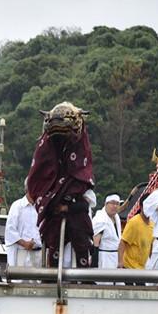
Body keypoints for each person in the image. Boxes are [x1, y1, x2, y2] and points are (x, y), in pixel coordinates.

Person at [27, 101, 96, 268]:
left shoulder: (81, 161)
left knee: (81, 239)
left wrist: (68, 208)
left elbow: (84, 205)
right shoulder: (47, 148)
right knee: (53, 242)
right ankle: (51, 273)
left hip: (75, 207)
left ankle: (85, 274)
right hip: (53, 205)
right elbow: (39, 173)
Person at [5, 183, 43, 268]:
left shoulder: (41, 207)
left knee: (38, 280)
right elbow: (10, 230)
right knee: (20, 279)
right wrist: (25, 243)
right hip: (22, 253)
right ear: (27, 190)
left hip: (39, 254)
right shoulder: (17, 206)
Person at [118, 194, 153, 270]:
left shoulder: (152, 224)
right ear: (141, 207)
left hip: (142, 268)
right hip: (129, 267)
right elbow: (123, 242)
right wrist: (120, 263)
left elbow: (150, 245)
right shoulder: (134, 222)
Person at [92, 193, 123, 268]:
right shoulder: (100, 219)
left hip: (115, 257)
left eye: (117, 204)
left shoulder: (116, 217)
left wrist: (120, 260)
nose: (115, 206)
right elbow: (95, 243)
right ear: (106, 204)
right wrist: (94, 263)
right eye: (112, 203)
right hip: (104, 258)